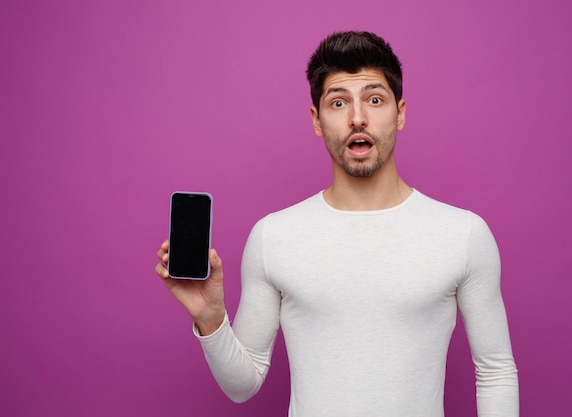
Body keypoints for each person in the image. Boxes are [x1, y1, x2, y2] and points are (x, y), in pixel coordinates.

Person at [155, 31, 519, 416]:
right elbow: (243, 385)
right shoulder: (273, 237)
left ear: (401, 113)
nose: (358, 118)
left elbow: (495, 371)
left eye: (374, 100)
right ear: (317, 119)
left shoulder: (462, 234)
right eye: (339, 102)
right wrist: (211, 319)